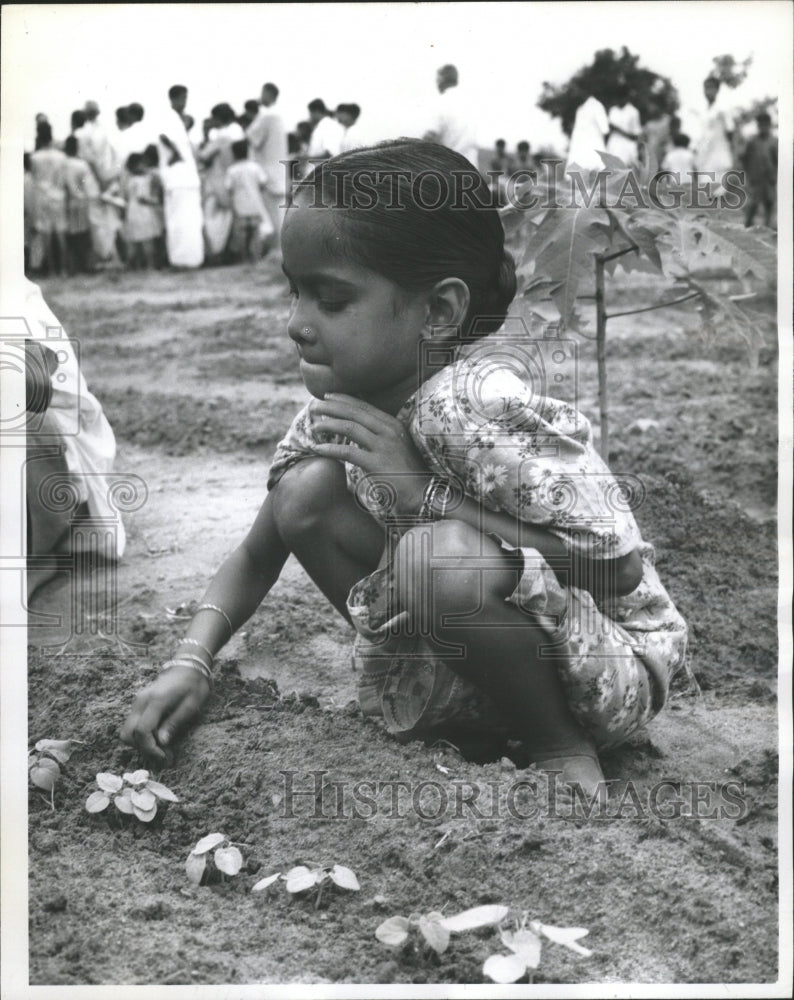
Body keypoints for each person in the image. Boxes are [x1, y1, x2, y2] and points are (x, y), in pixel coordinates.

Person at [120, 139, 688, 796]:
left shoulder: (474, 408)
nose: (295, 324)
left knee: (435, 557)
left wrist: (425, 498)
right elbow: (255, 555)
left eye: (330, 301)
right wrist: (191, 661)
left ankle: (559, 747)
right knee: (304, 495)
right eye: (294, 292)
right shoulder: (339, 411)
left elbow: (615, 567)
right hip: (493, 646)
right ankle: (467, 715)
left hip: (609, 667)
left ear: (439, 312)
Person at [18, 278, 125, 598]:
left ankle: (38, 557)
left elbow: (33, 386)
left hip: (51, 435)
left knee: (22, 419)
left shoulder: (10, 290)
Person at [157, 85, 204, 268]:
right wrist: (176, 153)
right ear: (175, 98)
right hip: (178, 179)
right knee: (180, 221)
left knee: (189, 220)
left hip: (186, 179)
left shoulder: (177, 119)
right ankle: (181, 260)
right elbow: (163, 136)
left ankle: (191, 260)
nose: (185, 102)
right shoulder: (169, 117)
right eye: (183, 98)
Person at [198, 103, 244, 261]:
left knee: (210, 219)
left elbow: (203, 156)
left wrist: (205, 133)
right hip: (232, 179)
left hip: (216, 180)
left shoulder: (221, 135)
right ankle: (228, 252)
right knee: (228, 219)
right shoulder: (238, 131)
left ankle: (213, 253)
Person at [246, 82, 288, 249]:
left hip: (268, 173)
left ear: (269, 95)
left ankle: (275, 249)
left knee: (270, 215)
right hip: (278, 171)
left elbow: (252, 136)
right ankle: (279, 249)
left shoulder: (267, 116)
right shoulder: (278, 115)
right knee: (279, 213)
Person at [29, 122, 68, 275]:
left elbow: (34, 179)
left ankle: (51, 269)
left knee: (46, 235)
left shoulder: (35, 157)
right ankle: (63, 269)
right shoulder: (61, 156)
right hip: (58, 195)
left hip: (42, 196)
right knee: (61, 233)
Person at [423, 64, 479, 168]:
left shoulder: (441, 102)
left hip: (451, 169)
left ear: (442, 79)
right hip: (472, 168)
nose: (436, 83)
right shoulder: (469, 103)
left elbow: (430, 136)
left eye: (437, 79)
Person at [225, 138, 271, 262]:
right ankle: (255, 258)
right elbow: (263, 183)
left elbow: (229, 188)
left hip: (239, 204)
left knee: (242, 233)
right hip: (255, 203)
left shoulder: (232, 170)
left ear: (233, 153)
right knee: (256, 232)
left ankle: (244, 258)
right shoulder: (255, 167)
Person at [63, 134, 99, 274]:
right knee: (83, 234)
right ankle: (86, 265)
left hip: (68, 202)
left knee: (71, 235)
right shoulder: (82, 164)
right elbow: (89, 186)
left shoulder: (63, 164)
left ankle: (73, 266)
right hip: (82, 201)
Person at [122, 152, 164, 269]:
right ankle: (150, 265)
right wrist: (155, 202)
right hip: (143, 212)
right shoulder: (142, 180)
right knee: (147, 240)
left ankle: (136, 265)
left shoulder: (129, 179)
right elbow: (142, 198)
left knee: (135, 240)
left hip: (132, 211)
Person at [691, 76, 734, 185]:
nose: (708, 91)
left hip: (718, 153)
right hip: (704, 153)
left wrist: (729, 149)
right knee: (704, 188)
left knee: (718, 188)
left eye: (711, 88)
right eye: (706, 88)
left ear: (717, 90)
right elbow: (701, 133)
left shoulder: (722, 109)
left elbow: (730, 131)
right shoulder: (702, 111)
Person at [740, 112, 777, 228]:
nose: (763, 128)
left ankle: (768, 229)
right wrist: (747, 176)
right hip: (755, 180)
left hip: (769, 179)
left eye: (766, 125)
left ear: (770, 125)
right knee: (752, 205)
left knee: (769, 204)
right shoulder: (752, 142)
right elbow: (744, 159)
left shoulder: (774, 141)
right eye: (761, 125)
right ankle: (746, 228)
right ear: (758, 126)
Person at [566, 92, 609, 172]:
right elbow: (605, 129)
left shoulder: (594, 106)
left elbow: (605, 129)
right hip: (583, 150)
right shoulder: (582, 108)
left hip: (588, 149)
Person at [606, 85, 641, 167]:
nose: (619, 100)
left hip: (627, 147)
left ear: (626, 97)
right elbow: (608, 130)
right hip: (613, 146)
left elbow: (635, 136)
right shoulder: (613, 110)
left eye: (621, 97)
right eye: (617, 97)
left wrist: (618, 129)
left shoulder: (633, 111)